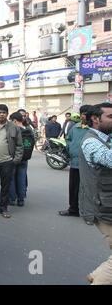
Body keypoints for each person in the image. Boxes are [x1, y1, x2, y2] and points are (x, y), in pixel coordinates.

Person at [78, 103, 112, 285]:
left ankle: (98, 276)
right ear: (96, 119)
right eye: (111, 117)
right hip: (103, 207)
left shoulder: (106, 138)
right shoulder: (91, 141)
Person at [58, 108, 91, 219]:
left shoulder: (94, 129)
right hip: (75, 163)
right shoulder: (75, 127)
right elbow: (68, 139)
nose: (83, 117)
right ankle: (73, 209)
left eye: (86, 114)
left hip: (88, 165)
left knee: (88, 189)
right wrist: (70, 147)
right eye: (82, 114)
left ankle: (88, 213)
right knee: (73, 188)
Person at [8, 112, 32, 207]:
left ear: (14, 120)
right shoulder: (28, 129)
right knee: (22, 178)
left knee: (11, 178)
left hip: (14, 157)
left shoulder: (14, 130)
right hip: (25, 158)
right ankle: (21, 199)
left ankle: (12, 199)